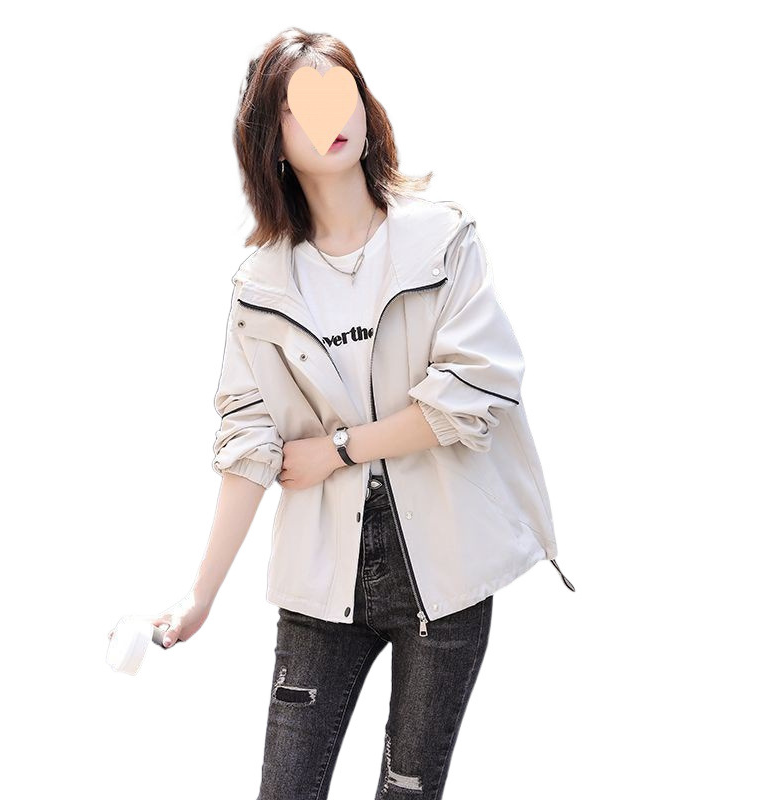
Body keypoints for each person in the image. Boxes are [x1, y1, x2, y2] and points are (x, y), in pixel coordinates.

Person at [115, 26, 575, 800]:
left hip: (446, 580)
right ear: (271, 140)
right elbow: (248, 444)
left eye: (341, 92)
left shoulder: (442, 239)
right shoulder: (260, 286)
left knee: (407, 791)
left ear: (366, 107)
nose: (330, 115)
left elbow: (476, 390)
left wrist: (338, 448)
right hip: (321, 580)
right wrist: (201, 595)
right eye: (303, 103)